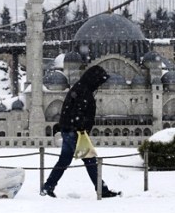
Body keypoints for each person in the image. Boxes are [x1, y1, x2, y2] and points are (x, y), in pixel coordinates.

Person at [41, 65, 120, 198]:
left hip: (69, 130)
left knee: (64, 161)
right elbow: (78, 113)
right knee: (90, 161)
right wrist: (81, 129)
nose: (99, 85)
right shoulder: (83, 91)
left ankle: (47, 187)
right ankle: (102, 190)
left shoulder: (80, 88)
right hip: (76, 133)